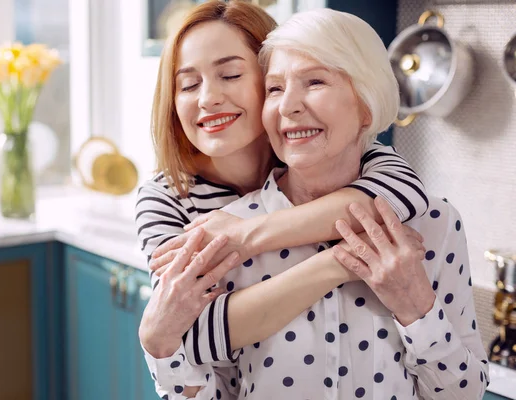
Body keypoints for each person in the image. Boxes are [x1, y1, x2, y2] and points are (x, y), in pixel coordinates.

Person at [141, 6, 490, 399]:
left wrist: (417, 309)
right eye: (276, 88)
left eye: (315, 81)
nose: (288, 105)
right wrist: (160, 344)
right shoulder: (214, 234)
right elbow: (194, 348)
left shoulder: (430, 220)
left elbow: (465, 394)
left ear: (366, 103)